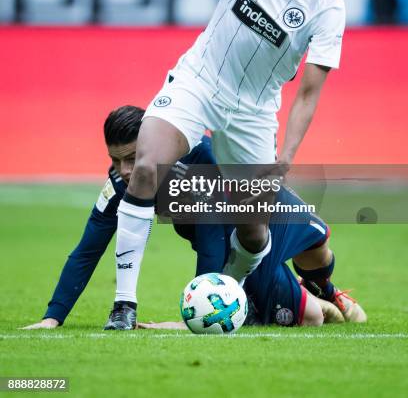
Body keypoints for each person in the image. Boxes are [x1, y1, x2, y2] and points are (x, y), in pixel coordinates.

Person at [112, 0, 346, 313]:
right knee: (146, 171)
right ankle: (123, 305)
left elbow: (308, 92)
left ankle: (227, 295)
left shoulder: (330, 6)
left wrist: (284, 158)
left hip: (254, 113)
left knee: (254, 229)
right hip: (198, 80)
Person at [21, 106, 365, 331]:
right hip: (235, 244)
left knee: (317, 247)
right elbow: (87, 249)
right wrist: (53, 317)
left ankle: (328, 291)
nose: (125, 171)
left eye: (132, 158)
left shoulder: (200, 161)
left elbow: (211, 241)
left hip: (265, 215)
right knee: (311, 319)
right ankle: (323, 303)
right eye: (115, 160)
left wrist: (189, 321)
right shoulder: (120, 181)